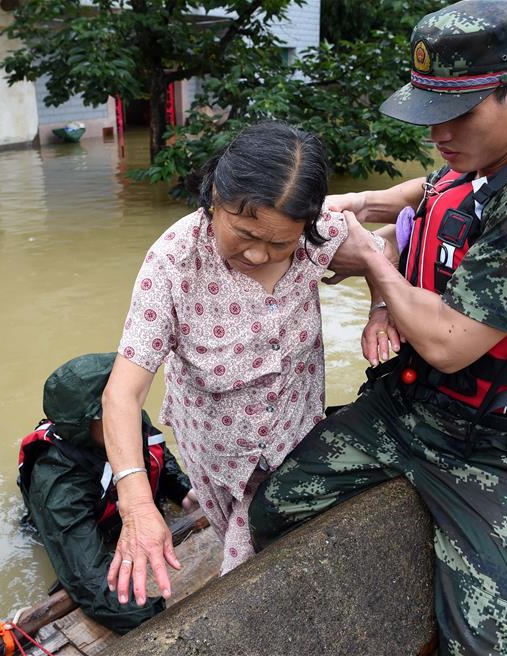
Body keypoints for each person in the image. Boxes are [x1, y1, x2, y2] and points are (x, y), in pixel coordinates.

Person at [248, 2, 507, 653]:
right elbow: (413, 195)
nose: (441, 134)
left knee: (480, 646)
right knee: (274, 507)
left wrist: (372, 261)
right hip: (409, 405)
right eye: (432, 115)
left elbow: (449, 345)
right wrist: (329, 207)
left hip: (492, 446)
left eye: (459, 114)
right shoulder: (477, 165)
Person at [101, 121, 387, 608]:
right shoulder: (173, 262)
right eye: (245, 233)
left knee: (246, 570)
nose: (259, 253)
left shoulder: (320, 237)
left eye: (280, 243)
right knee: (226, 518)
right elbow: (121, 394)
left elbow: (379, 252)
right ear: (215, 199)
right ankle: (204, 502)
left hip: (294, 439)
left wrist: (380, 309)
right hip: (212, 446)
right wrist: (136, 504)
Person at [17, 352, 196, 634]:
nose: (129, 409)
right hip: (86, 531)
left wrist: (184, 492)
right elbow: (88, 580)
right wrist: (159, 613)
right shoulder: (59, 482)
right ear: (87, 424)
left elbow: (156, 455)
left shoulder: (126, 417)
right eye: (114, 406)